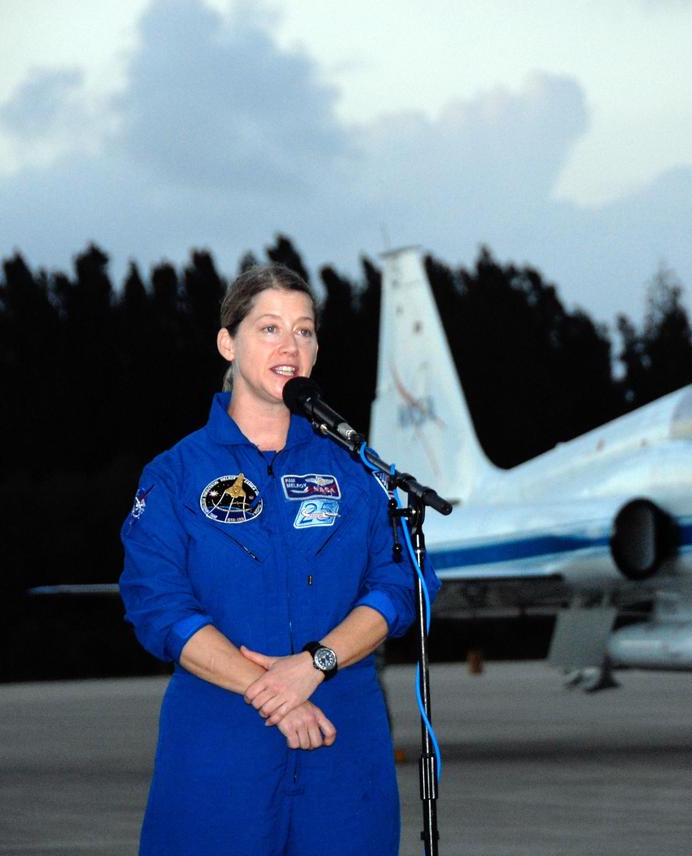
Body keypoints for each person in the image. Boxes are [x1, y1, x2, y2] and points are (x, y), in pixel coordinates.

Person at [120, 263, 432, 855]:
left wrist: (315, 664)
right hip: (219, 751)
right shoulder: (175, 476)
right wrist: (273, 691)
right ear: (227, 343)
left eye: (304, 330)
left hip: (343, 751)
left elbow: (400, 584)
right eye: (269, 328)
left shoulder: (356, 472)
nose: (290, 346)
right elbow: (158, 606)